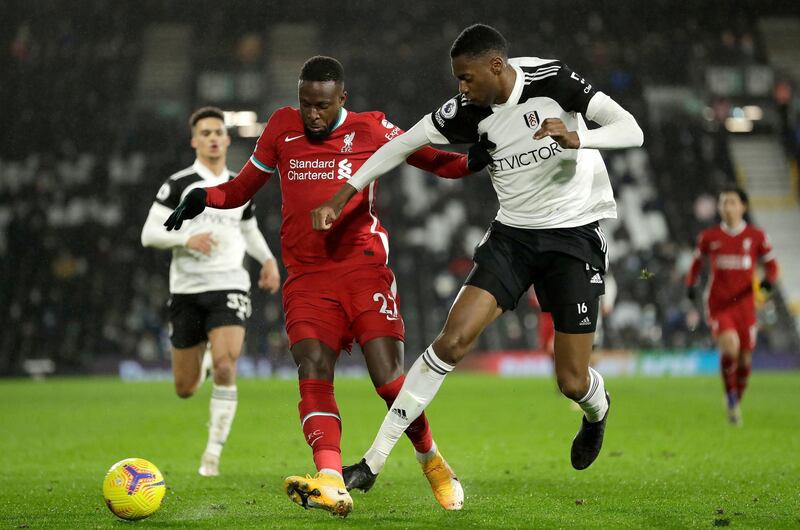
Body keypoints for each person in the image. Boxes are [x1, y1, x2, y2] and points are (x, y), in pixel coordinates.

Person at [311, 24, 644, 492]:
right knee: (452, 340)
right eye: (457, 80)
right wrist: (343, 195)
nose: (461, 89)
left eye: (466, 78)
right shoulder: (467, 111)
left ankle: (598, 409)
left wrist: (578, 138)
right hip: (513, 237)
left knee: (571, 381)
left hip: (573, 235)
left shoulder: (553, 82)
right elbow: (400, 145)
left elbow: (632, 130)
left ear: (495, 66)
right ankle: (371, 463)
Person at [163, 57, 485, 517]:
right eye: (305, 103)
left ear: (341, 99)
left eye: (321, 105)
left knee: (389, 379)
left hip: (363, 269)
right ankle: (331, 478)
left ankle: (430, 458)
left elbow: (439, 163)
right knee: (312, 367)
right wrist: (204, 198)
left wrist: (487, 154)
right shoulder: (280, 127)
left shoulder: (371, 130)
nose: (311, 114)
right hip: (308, 278)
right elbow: (239, 190)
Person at [141, 106, 281, 477]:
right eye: (205, 133)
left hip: (230, 283)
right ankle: (200, 365)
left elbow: (247, 228)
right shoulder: (178, 184)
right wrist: (187, 238)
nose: (213, 138)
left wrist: (267, 260)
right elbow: (149, 234)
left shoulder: (239, 186)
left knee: (225, 364)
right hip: (187, 290)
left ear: (227, 138)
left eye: (218, 131)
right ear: (194, 141)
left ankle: (212, 455)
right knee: (185, 388)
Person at [685, 186, 779, 426]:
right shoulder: (709, 237)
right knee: (730, 348)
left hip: (746, 306)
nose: (727, 207)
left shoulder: (757, 236)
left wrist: (767, 286)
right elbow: (696, 264)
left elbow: (772, 267)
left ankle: (736, 399)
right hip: (719, 303)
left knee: (746, 360)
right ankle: (730, 396)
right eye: (723, 203)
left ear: (743, 207)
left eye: (732, 202)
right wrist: (691, 285)